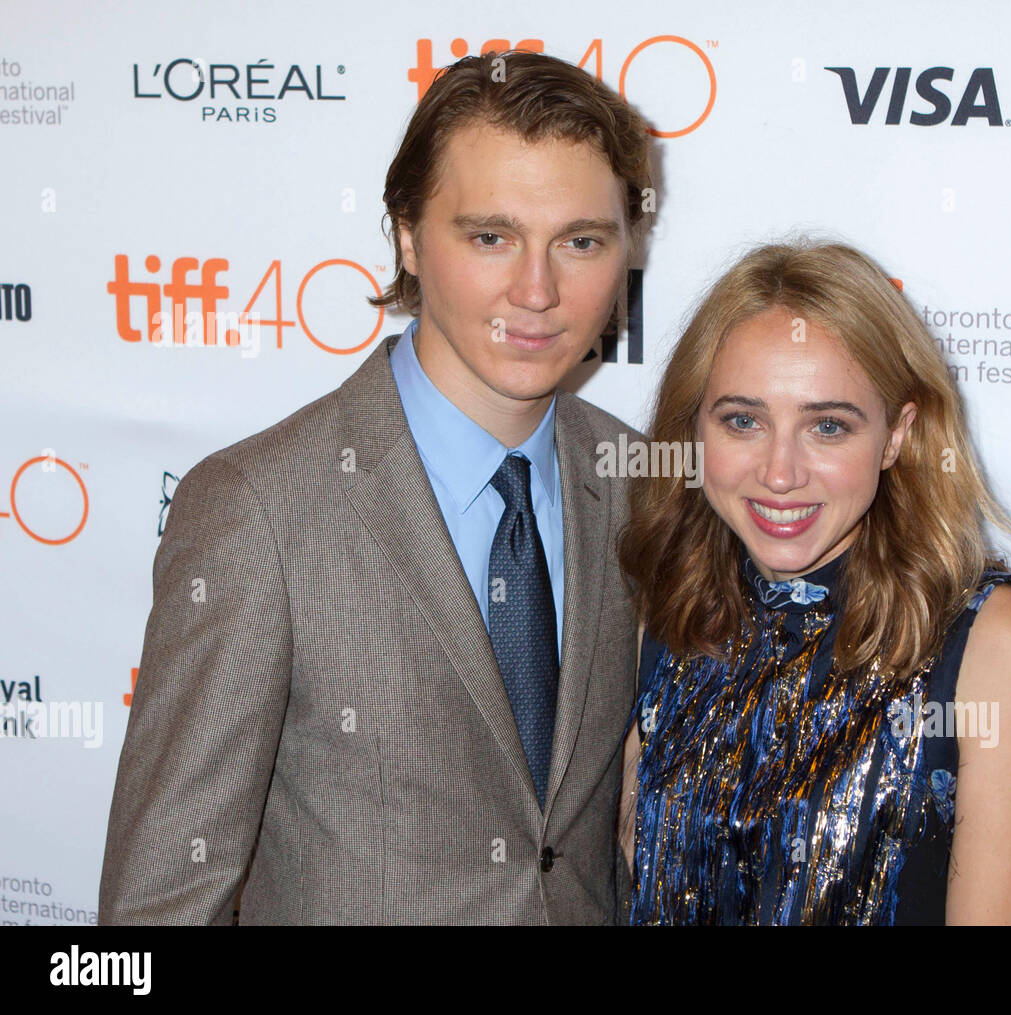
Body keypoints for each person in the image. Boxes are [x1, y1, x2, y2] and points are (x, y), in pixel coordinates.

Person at [99, 51, 652, 925]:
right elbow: (160, 907)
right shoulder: (256, 511)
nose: (538, 290)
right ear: (406, 237)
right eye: (491, 237)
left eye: (580, 241)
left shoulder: (639, 486)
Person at [617, 240, 1011, 925]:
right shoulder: (669, 610)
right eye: (743, 420)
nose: (779, 471)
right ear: (694, 428)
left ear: (896, 434)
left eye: (828, 426)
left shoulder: (995, 639)